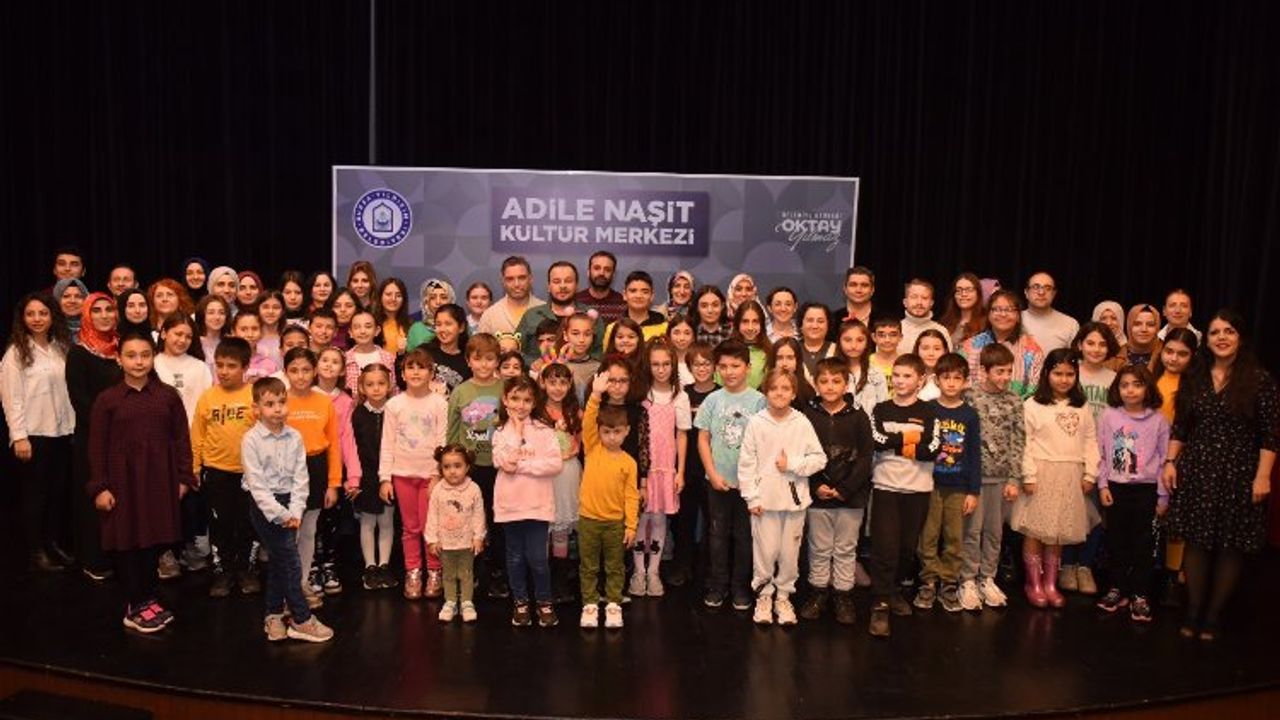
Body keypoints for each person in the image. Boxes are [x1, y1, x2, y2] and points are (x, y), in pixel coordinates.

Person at [1166, 310, 1278, 641]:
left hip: (1240, 473)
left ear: (1240, 338)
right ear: (1208, 339)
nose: (1222, 338)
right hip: (1197, 470)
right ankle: (1193, 611)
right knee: (1196, 542)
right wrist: (1170, 462)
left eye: (1229, 331)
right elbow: (1181, 427)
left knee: (1230, 545)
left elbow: (1271, 436)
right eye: (1215, 332)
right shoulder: (1196, 376)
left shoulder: (1260, 380)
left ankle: (1213, 616)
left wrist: (1263, 476)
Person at [87, 334, 193, 634]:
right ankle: (135, 605)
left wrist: (184, 477)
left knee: (154, 539)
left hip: (160, 479)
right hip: (122, 482)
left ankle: (148, 597)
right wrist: (100, 486)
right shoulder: (107, 400)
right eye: (131, 355)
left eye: (145, 355)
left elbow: (181, 439)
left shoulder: (168, 396)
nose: (139, 361)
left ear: (153, 357)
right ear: (119, 359)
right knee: (128, 541)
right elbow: (96, 447)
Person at [241, 376, 334, 642]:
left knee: (280, 560)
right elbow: (257, 486)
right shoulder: (251, 440)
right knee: (291, 562)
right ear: (256, 408)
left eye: (282, 402)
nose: (277, 409)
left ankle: (273, 615)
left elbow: (301, 478)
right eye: (270, 404)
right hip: (265, 507)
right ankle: (301, 619)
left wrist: (295, 510)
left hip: (290, 503)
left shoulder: (294, 437)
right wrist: (282, 515)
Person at [1011, 348, 1100, 609]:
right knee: (1036, 530)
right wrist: (1028, 474)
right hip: (1041, 474)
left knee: (1058, 532)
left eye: (1069, 374)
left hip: (1070, 475)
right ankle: (1034, 583)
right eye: (1058, 373)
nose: (1063, 379)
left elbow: (1090, 441)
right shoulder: (1032, 405)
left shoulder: (1081, 406)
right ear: (1047, 374)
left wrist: (1090, 472)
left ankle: (1050, 583)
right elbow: (1025, 442)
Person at [738, 368, 826, 626]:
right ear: (765, 392)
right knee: (765, 552)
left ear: (794, 393)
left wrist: (792, 465)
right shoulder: (756, 423)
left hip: (794, 504)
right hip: (764, 503)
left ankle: (784, 597)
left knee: (789, 554)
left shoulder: (801, 422)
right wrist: (752, 498)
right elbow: (747, 463)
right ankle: (764, 595)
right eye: (774, 388)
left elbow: (819, 459)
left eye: (785, 388)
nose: (779, 393)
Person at [866, 354, 942, 638]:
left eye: (907, 376)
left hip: (918, 489)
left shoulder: (929, 411)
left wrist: (896, 443)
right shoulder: (881, 409)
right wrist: (911, 438)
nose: (900, 381)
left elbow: (932, 449)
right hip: (885, 486)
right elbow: (877, 441)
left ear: (921, 379)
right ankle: (880, 602)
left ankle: (894, 590)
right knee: (884, 546)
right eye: (896, 375)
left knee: (906, 547)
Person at [1, 293, 75, 572]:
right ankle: (37, 551)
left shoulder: (61, 348)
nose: (37, 319)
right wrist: (19, 436)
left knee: (57, 492)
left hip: (63, 432)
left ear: (52, 316)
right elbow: (11, 399)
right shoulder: (16, 353)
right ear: (22, 318)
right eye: (30, 314)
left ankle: (52, 543)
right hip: (34, 435)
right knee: (36, 495)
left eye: (43, 313)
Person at [798, 358, 873, 624]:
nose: (830, 386)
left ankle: (843, 595)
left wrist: (845, 489)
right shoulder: (807, 417)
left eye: (836, 381)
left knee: (845, 548)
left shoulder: (859, 417)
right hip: (818, 497)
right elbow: (802, 454)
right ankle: (818, 592)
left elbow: (866, 457)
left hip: (850, 498)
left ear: (846, 384)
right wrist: (815, 485)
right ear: (815, 384)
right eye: (824, 381)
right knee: (818, 547)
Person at [695, 339, 766, 611]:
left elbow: (765, 442)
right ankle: (718, 584)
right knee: (717, 535)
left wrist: (755, 481)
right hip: (718, 482)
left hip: (748, 485)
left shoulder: (759, 401)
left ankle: (740, 586)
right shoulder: (713, 400)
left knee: (745, 537)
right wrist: (712, 474)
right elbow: (703, 439)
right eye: (723, 366)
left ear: (748, 367)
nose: (729, 372)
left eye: (735, 366)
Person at [1095, 364, 1170, 622]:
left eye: (1137, 385)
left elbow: (1164, 460)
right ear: (1117, 389)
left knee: (1143, 544)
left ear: (1148, 388)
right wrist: (1103, 485)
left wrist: (1163, 495)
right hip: (1116, 487)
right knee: (1116, 541)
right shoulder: (1108, 416)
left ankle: (1140, 594)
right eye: (1124, 385)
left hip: (1146, 490)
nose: (1130, 390)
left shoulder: (1159, 420)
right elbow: (1100, 453)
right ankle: (1117, 588)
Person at [492, 375, 564, 627]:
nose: (520, 405)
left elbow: (554, 464)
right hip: (510, 505)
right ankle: (520, 601)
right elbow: (506, 464)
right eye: (515, 399)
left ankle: (544, 601)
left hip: (537, 505)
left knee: (538, 558)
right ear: (505, 400)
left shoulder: (545, 430)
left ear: (534, 403)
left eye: (526, 400)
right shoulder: (500, 432)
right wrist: (518, 432)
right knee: (515, 558)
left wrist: (524, 465)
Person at [190, 337, 258, 598]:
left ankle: (246, 570)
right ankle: (223, 571)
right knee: (221, 524)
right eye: (219, 365)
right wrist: (195, 467)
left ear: (245, 367)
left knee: (248, 523)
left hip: (249, 473)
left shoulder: (254, 395)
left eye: (231, 366)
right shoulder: (208, 397)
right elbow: (198, 434)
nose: (224, 371)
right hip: (216, 471)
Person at [913, 353, 981, 614]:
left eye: (957, 378)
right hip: (929, 483)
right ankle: (929, 580)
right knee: (928, 535)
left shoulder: (970, 415)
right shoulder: (928, 409)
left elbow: (974, 454)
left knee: (954, 536)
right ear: (937, 380)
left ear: (965, 381)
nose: (951, 383)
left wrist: (973, 491)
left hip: (958, 486)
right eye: (946, 378)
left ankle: (949, 582)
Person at [958, 343, 1024, 611]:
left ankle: (987, 577)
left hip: (1001, 478)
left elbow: (1018, 439)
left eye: (1008, 371)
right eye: (999, 371)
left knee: (995, 532)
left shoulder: (1014, 400)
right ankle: (967, 580)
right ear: (984, 371)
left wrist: (1014, 479)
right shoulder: (969, 397)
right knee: (971, 531)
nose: (1005, 377)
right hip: (974, 479)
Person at [380, 348, 449, 599]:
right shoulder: (394, 405)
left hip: (430, 476)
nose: (416, 372)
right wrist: (385, 478)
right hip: (402, 475)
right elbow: (387, 443)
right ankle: (413, 571)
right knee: (410, 527)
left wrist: (437, 475)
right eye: (411, 367)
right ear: (402, 373)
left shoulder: (439, 404)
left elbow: (442, 441)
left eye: (422, 367)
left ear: (432, 373)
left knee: (431, 526)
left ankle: (435, 570)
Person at [66, 293, 123, 579]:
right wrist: (110, 424)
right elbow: (80, 400)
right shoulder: (79, 353)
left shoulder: (120, 349)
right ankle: (93, 559)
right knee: (93, 498)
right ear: (87, 316)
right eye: (96, 310)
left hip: (122, 438)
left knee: (118, 497)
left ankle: (116, 554)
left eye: (108, 309)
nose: (103, 315)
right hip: (92, 438)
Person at [281, 347, 343, 605]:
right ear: (285, 372)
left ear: (315, 371)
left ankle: (303, 582)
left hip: (316, 467)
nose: (301, 376)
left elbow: (334, 445)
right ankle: (288, 588)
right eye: (294, 370)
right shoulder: (279, 400)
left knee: (308, 530)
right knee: (289, 534)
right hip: (286, 470)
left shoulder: (323, 401)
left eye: (306, 370)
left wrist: (333, 483)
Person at [446, 333, 507, 597]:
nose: (484, 365)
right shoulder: (461, 392)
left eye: (490, 359)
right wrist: (450, 468)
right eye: (478, 359)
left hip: (500, 468)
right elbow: (452, 432)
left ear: (497, 361)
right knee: (469, 521)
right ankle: (470, 571)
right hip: (470, 470)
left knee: (497, 522)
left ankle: (498, 572)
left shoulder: (505, 389)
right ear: (468, 361)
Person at [579, 378, 641, 629]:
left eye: (617, 432)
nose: (611, 437)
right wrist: (595, 396)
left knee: (615, 566)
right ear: (599, 431)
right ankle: (590, 604)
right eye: (606, 432)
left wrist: (631, 525)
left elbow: (631, 496)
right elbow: (588, 421)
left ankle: (614, 603)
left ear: (627, 431)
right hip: (589, 521)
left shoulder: (629, 463)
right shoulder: (592, 448)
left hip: (615, 523)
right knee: (589, 566)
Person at [630, 340, 690, 598]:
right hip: (643, 471)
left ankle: (653, 572)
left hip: (666, 469)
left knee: (658, 519)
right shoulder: (641, 394)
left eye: (666, 364)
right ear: (648, 365)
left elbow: (682, 435)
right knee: (640, 519)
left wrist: (680, 471)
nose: (661, 369)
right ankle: (638, 572)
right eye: (655, 364)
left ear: (673, 365)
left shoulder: (680, 396)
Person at [669, 341, 717, 588]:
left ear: (715, 366)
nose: (702, 368)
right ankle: (682, 565)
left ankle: (709, 570)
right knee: (683, 521)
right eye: (696, 364)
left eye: (707, 363)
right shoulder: (682, 393)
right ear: (688, 367)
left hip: (713, 469)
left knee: (713, 524)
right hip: (686, 467)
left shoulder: (721, 394)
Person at [344, 364, 396, 591]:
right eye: (370, 384)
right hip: (365, 475)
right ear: (362, 388)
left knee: (386, 521)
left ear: (390, 385)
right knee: (367, 522)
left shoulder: (394, 411)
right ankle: (370, 566)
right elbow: (351, 448)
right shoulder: (357, 414)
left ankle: (384, 565)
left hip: (388, 475)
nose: (376, 388)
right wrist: (352, 478)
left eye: (381, 383)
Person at [426, 444, 487, 623]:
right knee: (449, 574)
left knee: (466, 574)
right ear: (441, 468)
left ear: (467, 467)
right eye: (447, 467)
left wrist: (478, 537)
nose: (452, 471)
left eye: (457, 466)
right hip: (445, 543)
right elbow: (432, 516)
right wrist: (432, 540)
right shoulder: (438, 490)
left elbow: (479, 515)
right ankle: (450, 601)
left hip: (467, 543)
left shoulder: (473, 489)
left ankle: (467, 602)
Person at [539, 362, 583, 604]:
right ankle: (542, 582)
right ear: (543, 383)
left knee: (561, 529)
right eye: (552, 382)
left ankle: (560, 581)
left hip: (568, 473)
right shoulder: (536, 412)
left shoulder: (575, 412)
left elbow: (582, 443)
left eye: (563, 382)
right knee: (543, 527)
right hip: (543, 475)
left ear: (570, 385)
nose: (557, 388)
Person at [515, 261, 604, 367]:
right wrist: (532, 362)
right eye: (556, 281)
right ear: (549, 286)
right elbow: (515, 351)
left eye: (568, 281)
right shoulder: (531, 315)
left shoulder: (590, 316)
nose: (562, 286)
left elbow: (601, 352)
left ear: (577, 286)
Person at [962, 289, 1045, 399]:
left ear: (1018, 316)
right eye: (997, 309)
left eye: (1009, 310)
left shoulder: (1032, 350)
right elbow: (958, 382)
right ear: (988, 314)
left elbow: (1034, 390)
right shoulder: (969, 346)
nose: (1003, 314)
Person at [154, 315, 213, 422]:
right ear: (163, 334)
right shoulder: (152, 365)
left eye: (188, 337)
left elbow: (208, 404)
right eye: (178, 334)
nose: (182, 340)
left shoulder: (200, 367)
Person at [479, 256, 545, 336]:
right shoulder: (490, 315)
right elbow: (481, 344)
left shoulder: (545, 312)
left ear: (530, 279)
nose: (516, 284)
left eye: (521, 278)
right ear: (503, 281)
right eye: (510, 279)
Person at [603, 270, 669, 347]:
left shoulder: (664, 328)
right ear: (624, 295)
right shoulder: (613, 328)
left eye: (645, 292)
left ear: (652, 296)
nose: (638, 296)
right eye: (633, 291)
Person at [835, 320, 888, 414]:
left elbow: (884, 409)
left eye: (860, 340)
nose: (853, 346)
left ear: (867, 342)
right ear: (839, 341)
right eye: (847, 340)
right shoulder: (830, 370)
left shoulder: (876, 374)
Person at [1020, 272, 1079, 352]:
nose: (1041, 292)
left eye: (1047, 288)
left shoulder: (1070, 324)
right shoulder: (1013, 320)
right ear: (1026, 292)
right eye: (1036, 287)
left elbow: (1077, 357)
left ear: (1054, 294)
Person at [344, 310, 398, 393]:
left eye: (368, 326)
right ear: (350, 332)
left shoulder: (389, 358)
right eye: (357, 327)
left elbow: (394, 390)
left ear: (377, 330)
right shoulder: (344, 359)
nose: (362, 331)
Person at [423, 304, 472, 394]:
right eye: (438, 324)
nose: (442, 329)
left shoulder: (469, 361)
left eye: (448, 324)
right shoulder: (424, 352)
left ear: (461, 327)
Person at [896, 279, 950, 355]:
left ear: (931, 303)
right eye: (914, 297)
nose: (919, 302)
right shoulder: (894, 331)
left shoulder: (941, 331)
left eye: (924, 298)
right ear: (905, 302)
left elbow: (948, 361)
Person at [829, 266, 883, 340]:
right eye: (853, 285)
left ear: (872, 290)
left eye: (864, 285)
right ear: (845, 289)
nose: (858, 290)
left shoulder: (884, 319)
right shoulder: (832, 320)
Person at [938, 272, 988, 348]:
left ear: (978, 294)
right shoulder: (944, 323)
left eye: (969, 290)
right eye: (959, 290)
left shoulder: (987, 322)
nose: (963, 294)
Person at [574, 250, 626, 323]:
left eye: (607, 270)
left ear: (613, 275)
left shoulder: (622, 303)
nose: (601, 273)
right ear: (588, 272)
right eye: (597, 268)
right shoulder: (576, 301)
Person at [231, 309, 278, 383]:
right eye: (243, 329)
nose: (250, 334)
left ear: (261, 331)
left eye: (255, 329)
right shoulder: (226, 362)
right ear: (233, 332)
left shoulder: (270, 364)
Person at [797, 303, 835, 383]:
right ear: (801, 324)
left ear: (828, 325)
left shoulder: (838, 350)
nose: (815, 326)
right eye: (810, 320)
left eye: (820, 321)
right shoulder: (792, 349)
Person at [373, 278, 411, 355]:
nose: (393, 299)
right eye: (388, 294)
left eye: (398, 295)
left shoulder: (411, 325)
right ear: (380, 297)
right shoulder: (371, 324)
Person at [195, 295, 231, 369]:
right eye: (211, 313)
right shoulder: (195, 342)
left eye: (221, 313)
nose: (217, 317)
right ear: (202, 315)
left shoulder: (231, 343)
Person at [1124, 304, 1163, 368]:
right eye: (1137, 324)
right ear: (1129, 326)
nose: (1144, 329)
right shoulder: (1117, 355)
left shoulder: (1169, 353)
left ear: (1157, 327)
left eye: (1150, 325)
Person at [54, 278, 88, 342]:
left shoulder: (96, 327)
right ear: (57, 300)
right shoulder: (48, 329)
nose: (72, 301)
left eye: (78, 296)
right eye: (66, 296)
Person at [869, 317, 902, 383]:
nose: (887, 340)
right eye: (882, 335)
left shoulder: (907, 363)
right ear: (874, 337)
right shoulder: (865, 363)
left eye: (893, 335)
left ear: (900, 337)